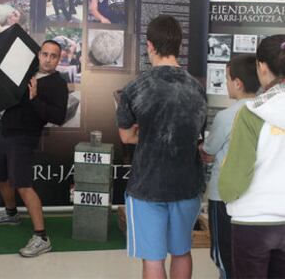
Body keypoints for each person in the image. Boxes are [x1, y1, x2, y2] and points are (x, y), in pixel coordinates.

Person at [116, 15, 207, 279]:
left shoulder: (135, 88)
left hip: (147, 186)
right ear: (179, 46)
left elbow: (125, 137)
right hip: (187, 185)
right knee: (181, 252)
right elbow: (195, 135)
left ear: (150, 45)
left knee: (153, 260)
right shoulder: (197, 89)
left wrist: (145, 132)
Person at [0, 40, 68, 257]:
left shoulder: (58, 84)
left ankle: (42, 238)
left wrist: (35, 99)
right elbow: (3, 95)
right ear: (39, 54)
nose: (48, 59)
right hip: (5, 132)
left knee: (23, 185)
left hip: (25, 137)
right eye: (45, 54)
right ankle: (11, 213)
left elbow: (59, 117)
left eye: (53, 56)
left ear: (58, 59)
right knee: (1, 177)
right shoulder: (26, 73)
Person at [219, 35, 285, 279]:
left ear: (261, 67)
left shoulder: (252, 112)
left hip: (252, 221)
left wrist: (226, 195)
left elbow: (234, 178)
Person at [199, 55, 260, 279]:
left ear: (238, 83)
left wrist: (205, 152)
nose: (225, 83)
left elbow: (210, 149)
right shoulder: (265, 113)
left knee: (224, 256)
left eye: (227, 78)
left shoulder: (226, 116)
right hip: (252, 197)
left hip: (222, 196)